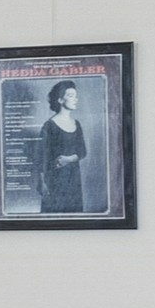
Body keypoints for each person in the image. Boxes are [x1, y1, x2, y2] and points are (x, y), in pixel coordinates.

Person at [37, 78, 89, 215]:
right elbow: (40, 158)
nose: (75, 99)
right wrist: (42, 183)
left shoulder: (76, 124)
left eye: (75, 96)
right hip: (55, 180)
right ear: (60, 100)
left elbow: (82, 151)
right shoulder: (49, 126)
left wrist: (69, 159)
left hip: (73, 179)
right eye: (70, 96)